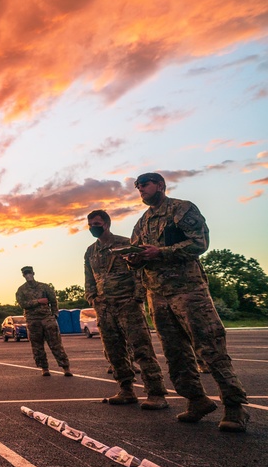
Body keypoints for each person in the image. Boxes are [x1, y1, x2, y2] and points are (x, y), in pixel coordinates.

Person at [127, 172, 249, 431]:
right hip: (157, 295)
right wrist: (135, 259)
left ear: (160, 185)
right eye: (137, 187)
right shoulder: (142, 222)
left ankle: (235, 407)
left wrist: (161, 251)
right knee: (175, 353)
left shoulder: (181, 209)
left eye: (144, 185)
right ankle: (196, 401)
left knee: (210, 348)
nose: (140, 190)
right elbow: (138, 251)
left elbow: (199, 243)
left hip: (188, 291)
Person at [84, 209, 167, 409]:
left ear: (106, 223)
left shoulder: (126, 244)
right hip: (104, 307)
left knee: (142, 349)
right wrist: (92, 298)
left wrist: (137, 297)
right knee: (114, 352)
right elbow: (89, 278)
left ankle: (156, 393)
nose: (92, 228)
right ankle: (126, 390)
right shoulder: (90, 251)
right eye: (89, 225)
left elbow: (139, 272)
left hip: (127, 304)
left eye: (95, 223)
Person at [16, 266, 71, 376]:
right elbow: (23, 304)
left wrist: (55, 314)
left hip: (47, 318)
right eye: (26, 274)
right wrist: (38, 301)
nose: (28, 275)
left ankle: (66, 368)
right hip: (33, 320)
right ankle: (44, 368)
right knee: (37, 346)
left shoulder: (44, 287)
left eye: (29, 273)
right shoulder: (21, 290)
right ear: (23, 275)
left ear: (33, 273)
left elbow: (53, 301)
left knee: (56, 344)